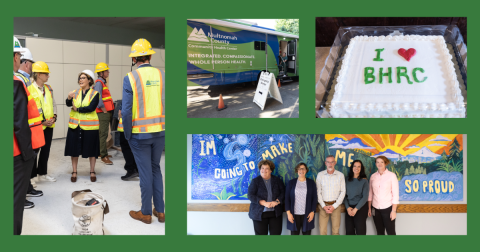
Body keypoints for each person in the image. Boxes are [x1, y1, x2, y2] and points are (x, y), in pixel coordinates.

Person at [123, 38, 165, 224]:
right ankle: (161, 211)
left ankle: (146, 213)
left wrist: (126, 133)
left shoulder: (130, 78)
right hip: (161, 131)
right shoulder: (162, 74)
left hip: (140, 134)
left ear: (134, 59)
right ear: (149, 56)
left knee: (145, 172)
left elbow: (125, 110)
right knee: (156, 169)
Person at [13, 36, 45, 234]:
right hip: (16, 152)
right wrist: (28, 154)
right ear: (16, 57)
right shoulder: (16, 82)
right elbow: (19, 123)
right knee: (14, 206)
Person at [64, 70, 100, 183]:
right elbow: (68, 104)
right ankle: (74, 171)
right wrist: (69, 98)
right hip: (75, 125)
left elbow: (91, 108)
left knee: (91, 150)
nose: (80, 80)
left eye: (83, 78)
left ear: (89, 80)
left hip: (90, 127)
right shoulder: (75, 92)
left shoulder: (95, 94)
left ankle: (92, 171)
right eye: (80, 78)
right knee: (74, 150)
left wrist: (78, 109)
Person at [28, 61, 57, 184]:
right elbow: (29, 110)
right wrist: (42, 122)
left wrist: (54, 116)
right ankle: (32, 176)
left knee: (46, 150)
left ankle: (42, 173)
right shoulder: (29, 89)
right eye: (46, 74)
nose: (48, 76)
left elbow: (53, 103)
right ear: (38, 74)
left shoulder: (48, 88)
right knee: (34, 152)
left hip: (49, 125)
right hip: (37, 126)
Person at [247, 160, 285, 235]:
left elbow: (283, 193)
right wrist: (263, 203)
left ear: (271, 170)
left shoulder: (277, 180)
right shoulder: (255, 181)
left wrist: (277, 202)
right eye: (262, 168)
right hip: (259, 214)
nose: (264, 170)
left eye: (267, 168)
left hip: (275, 214)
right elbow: (250, 195)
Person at [368, 156, 399, 235]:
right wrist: (369, 208)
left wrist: (394, 211)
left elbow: (395, 195)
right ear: (375, 164)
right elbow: (370, 194)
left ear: (385, 163)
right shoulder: (373, 176)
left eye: (382, 162)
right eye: (377, 162)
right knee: (379, 232)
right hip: (375, 209)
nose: (379, 164)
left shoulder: (392, 176)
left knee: (391, 232)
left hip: (388, 209)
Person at [316, 155, 345, 235]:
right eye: (328, 162)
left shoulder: (340, 175)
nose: (330, 164)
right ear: (325, 163)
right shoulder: (320, 175)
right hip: (323, 206)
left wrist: (334, 206)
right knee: (322, 231)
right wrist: (323, 206)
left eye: (332, 162)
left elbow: (343, 192)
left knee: (335, 231)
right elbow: (318, 192)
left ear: (335, 163)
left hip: (336, 206)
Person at [285, 163, 317, 235]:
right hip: (294, 214)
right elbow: (287, 199)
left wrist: (312, 212)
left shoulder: (311, 183)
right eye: (299, 169)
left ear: (306, 170)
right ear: (297, 170)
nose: (301, 170)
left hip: (308, 214)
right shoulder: (291, 183)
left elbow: (314, 198)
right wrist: (288, 213)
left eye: (303, 169)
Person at [94, 62, 115, 165]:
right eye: (106, 70)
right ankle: (103, 155)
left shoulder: (102, 82)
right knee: (103, 134)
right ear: (101, 73)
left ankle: (100, 152)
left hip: (106, 112)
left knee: (102, 133)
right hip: (103, 112)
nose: (108, 72)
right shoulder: (99, 83)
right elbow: (98, 98)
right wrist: (104, 110)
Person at [344, 160, 369, 235]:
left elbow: (365, 197)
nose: (356, 168)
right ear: (352, 167)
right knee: (349, 232)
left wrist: (355, 209)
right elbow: (343, 195)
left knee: (360, 231)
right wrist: (348, 208)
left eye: (359, 166)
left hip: (360, 208)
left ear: (361, 168)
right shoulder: (346, 179)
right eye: (354, 166)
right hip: (349, 208)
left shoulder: (364, 181)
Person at [117, 108, 139, 180]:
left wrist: (120, 114)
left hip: (126, 127)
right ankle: (137, 169)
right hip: (137, 127)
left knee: (126, 148)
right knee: (136, 148)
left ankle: (131, 170)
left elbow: (124, 112)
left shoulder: (128, 97)